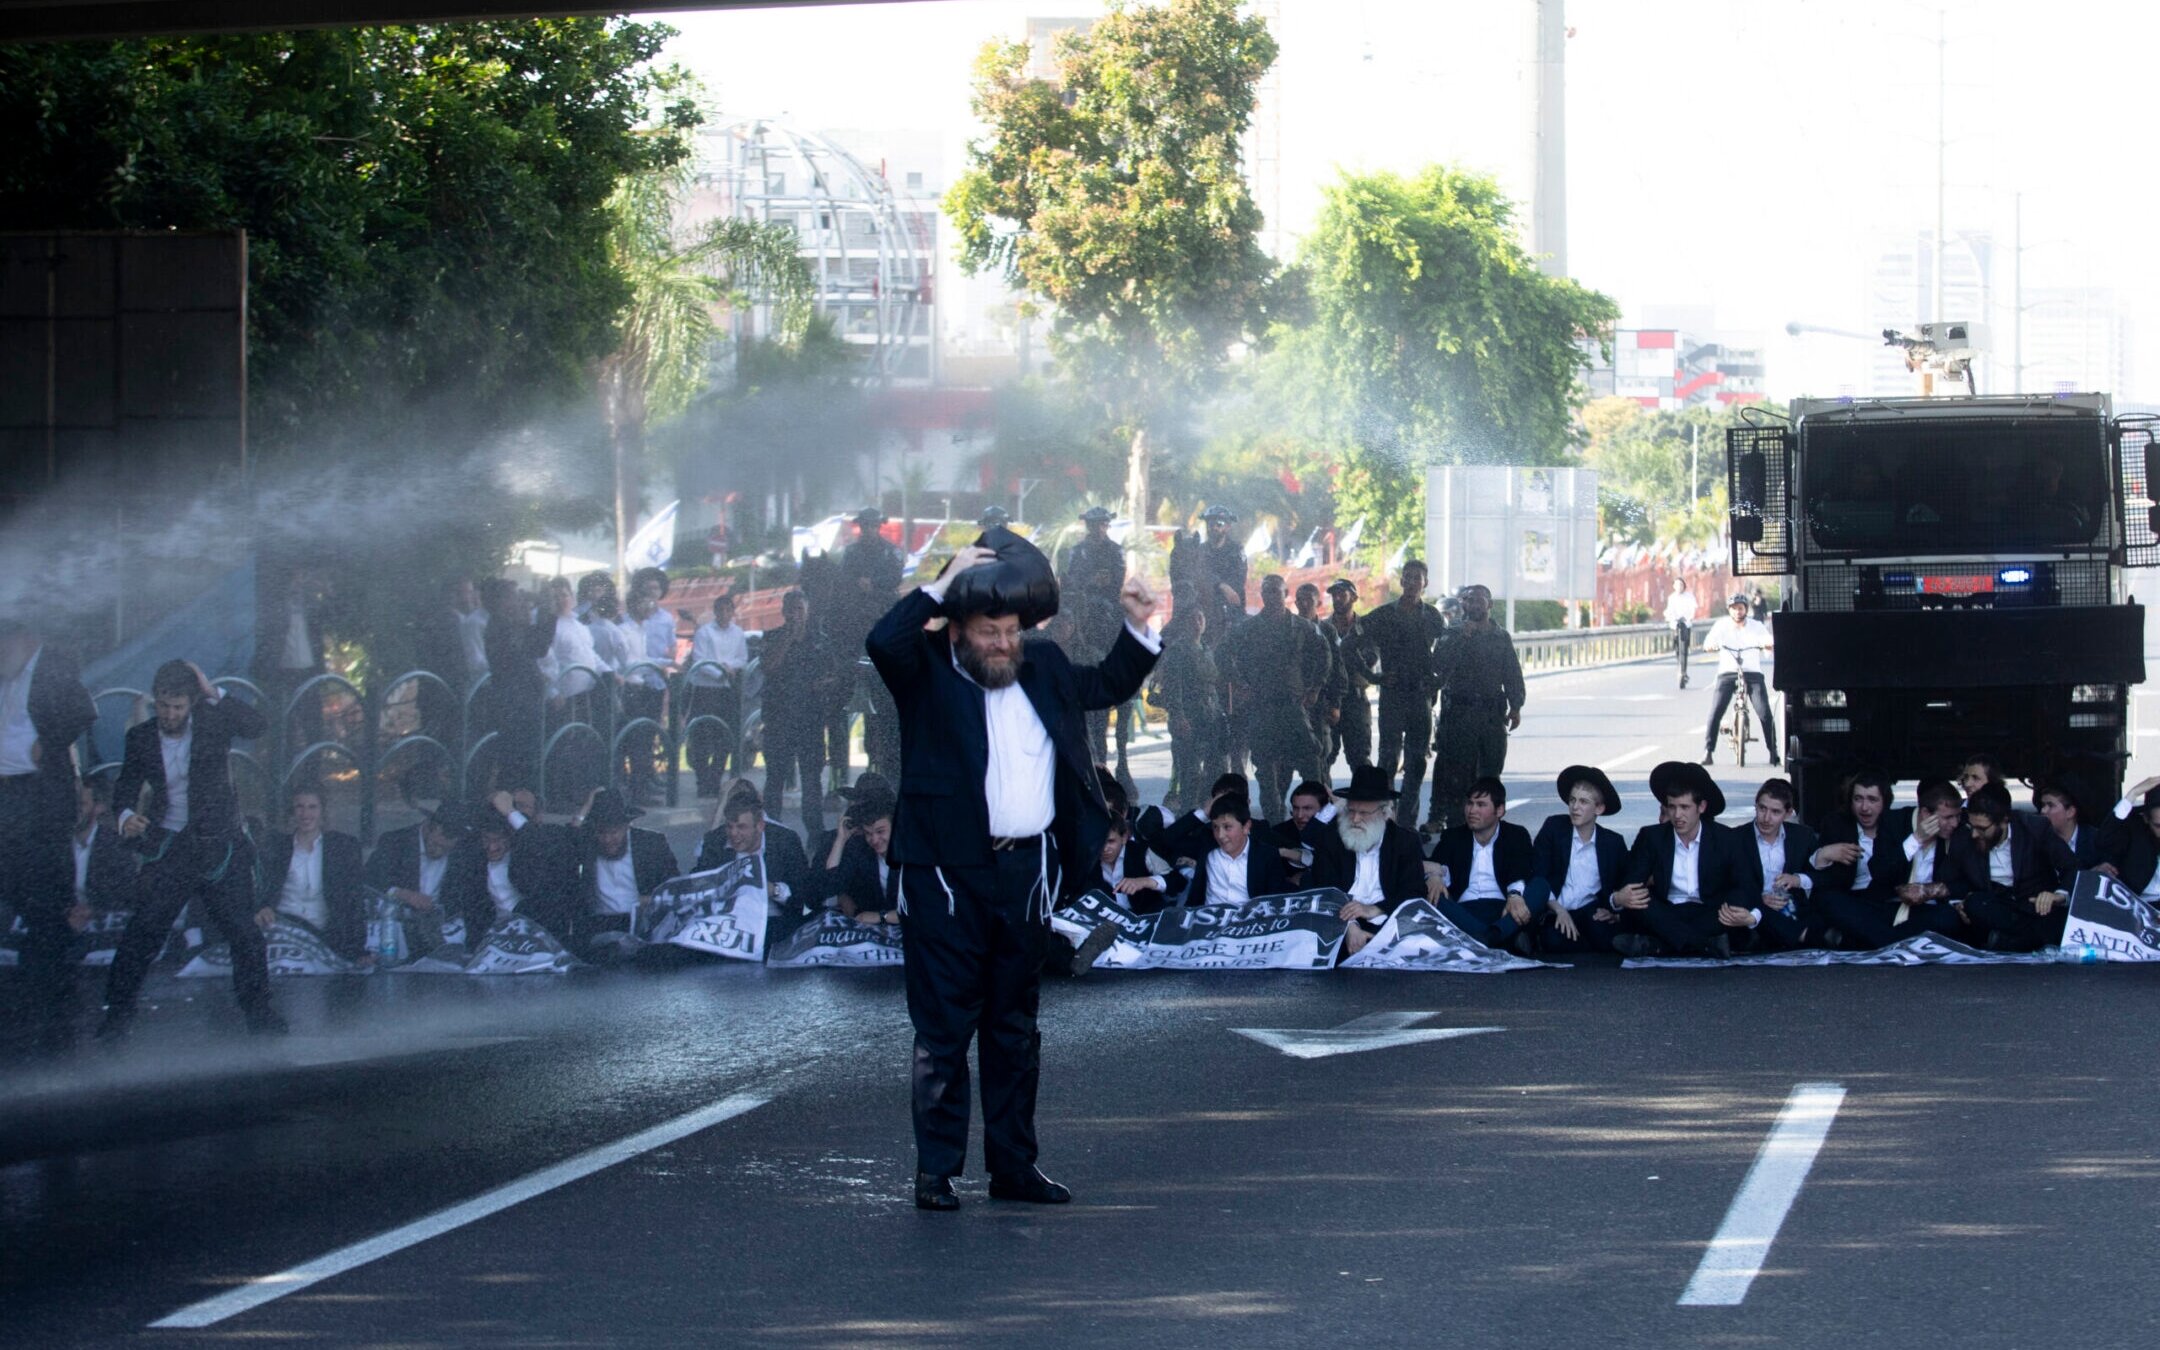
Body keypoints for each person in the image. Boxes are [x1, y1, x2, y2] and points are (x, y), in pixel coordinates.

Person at [866, 527, 1158, 1211]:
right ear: (959, 628)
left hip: (1024, 873)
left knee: (1014, 1028)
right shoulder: (926, 669)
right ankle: (936, 1171)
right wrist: (943, 580)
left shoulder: (1045, 665)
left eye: (1010, 629)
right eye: (988, 630)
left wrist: (1139, 625)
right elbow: (883, 641)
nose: (1002, 642)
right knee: (943, 1031)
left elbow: (1110, 682)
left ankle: (1013, 1167)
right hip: (942, 875)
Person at [101, 660, 284, 1039]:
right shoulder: (140, 737)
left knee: (244, 933)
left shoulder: (213, 722)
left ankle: (259, 1013)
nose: (170, 715)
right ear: (156, 702)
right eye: (164, 706)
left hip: (219, 845)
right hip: (170, 847)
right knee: (144, 931)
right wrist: (125, 817)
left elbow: (257, 726)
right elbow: (124, 789)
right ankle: (116, 1015)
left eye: (178, 707)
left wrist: (212, 690)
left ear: (191, 702)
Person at [0, 620, 96, 1052]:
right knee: (19, 890)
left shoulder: (54, 666)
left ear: (25, 640)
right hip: (10, 798)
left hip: (42, 803)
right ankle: (29, 989)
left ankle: (58, 999)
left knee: (49, 900)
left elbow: (83, 711)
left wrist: (50, 742)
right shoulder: (8, 673)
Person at [1611, 763, 1755, 959]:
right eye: (1672, 807)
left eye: (1685, 807)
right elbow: (1633, 881)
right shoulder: (1651, 836)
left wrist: (1736, 907)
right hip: (1667, 910)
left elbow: (1744, 883)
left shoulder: (1726, 838)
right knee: (1641, 904)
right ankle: (1705, 944)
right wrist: (1624, 895)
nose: (1677, 815)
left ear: (1701, 807)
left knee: (1729, 910)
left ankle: (1660, 945)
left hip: (1708, 910)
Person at [1220, 575, 1330, 818]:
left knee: (1312, 761)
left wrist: (1315, 688)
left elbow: (1325, 654)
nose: (1271, 596)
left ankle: (1315, 823)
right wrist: (1239, 684)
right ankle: (1275, 826)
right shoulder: (1249, 629)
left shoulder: (1302, 626)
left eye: (1276, 592)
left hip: (1293, 706)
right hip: (1262, 707)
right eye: (1266, 592)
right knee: (1267, 772)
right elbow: (1223, 653)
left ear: (1285, 593)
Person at [1428, 584, 1526, 831]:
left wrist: (1516, 705)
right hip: (1460, 716)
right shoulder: (1452, 633)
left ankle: (1490, 827)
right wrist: (1462, 637)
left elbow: (1512, 672)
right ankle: (1457, 829)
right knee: (1458, 776)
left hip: (1491, 716)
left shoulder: (1500, 636)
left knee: (1490, 773)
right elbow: (1438, 664)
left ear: (1490, 605)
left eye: (1480, 600)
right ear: (1463, 605)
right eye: (1469, 600)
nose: (1474, 605)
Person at [1307, 765, 1430, 956]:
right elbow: (1325, 888)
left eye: (1364, 813)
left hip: (1387, 919)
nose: (1355, 819)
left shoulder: (1405, 841)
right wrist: (1349, 926)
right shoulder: (1330, 838)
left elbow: (1414, 892)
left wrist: (1374, 909)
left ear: (1384, 813)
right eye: (1351, 811)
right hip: (1340, 921)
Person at [1808, 769, 1936, 950]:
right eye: (1858, 799)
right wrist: (1823, 854)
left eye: (1872, 800)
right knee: (1828, 901)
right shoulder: (1836, 824)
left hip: (1888, 902)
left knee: (1940, 915)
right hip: (1852, 900)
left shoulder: (1899, 824)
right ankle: (1891, 941)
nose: (1864, 807)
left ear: (1885, 802)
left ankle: (1855, 939)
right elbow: (1820, 878)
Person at [1363, 560, 1447, 829]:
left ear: (1426, 583)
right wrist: (1373, 676)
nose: (1411, 583)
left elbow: (1447, 653)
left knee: (1416, 764)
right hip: (1392, 696)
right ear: (1401, 581)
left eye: (1417, 578)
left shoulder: (1433, 616)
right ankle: (1385, 820)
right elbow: (1352, 640)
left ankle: (1407, 826)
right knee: (1387, 760)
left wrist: (1438, 682)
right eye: (1407, 577)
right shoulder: (1384, 614)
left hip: (1419, 698)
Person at [254, 785, 368, 961]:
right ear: (292, 811)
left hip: (326, 938)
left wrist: (358, 950)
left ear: (322, 810)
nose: (305, 814)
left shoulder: (344, 847)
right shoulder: (276, 847)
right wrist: (263, 907)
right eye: (300, 806)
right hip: (282, 935)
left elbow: (355, 901)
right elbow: (260, 890)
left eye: (312, 807)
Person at [1523, 766, 1629, 955]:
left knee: (1606, 937)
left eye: (1583, 802)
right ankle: (1540, 938)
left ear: (1599, 808)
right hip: (1556, 908)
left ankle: (1589, 943)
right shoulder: (1554, 828)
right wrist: (1558, 910)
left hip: (1590, 909)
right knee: (1553, 942)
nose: (1575, 807)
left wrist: (1613, 911)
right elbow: (1538, 874)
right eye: (1572, 800)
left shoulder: (1613, 842)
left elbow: (1622, 884)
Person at [1950, 782, 2068, 951]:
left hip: (2035, 908)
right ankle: (2023, 941)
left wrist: (2057, 896)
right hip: (1995, 908)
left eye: (1982, 829)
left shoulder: (2035, 828)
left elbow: (2071, 867)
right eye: (1972, 826)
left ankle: (2008, 942)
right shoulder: (1964, 838)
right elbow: (1950, 879)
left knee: (2058, 921)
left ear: (2004, 821)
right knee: (1975, 905)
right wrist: (1958, 904)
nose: (1975, 834)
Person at [758, 590, 839, 832]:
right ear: (783, 612)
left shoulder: (820, 640)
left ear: (808, 612)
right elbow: (768, 666)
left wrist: (822, 684)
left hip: (810, 719)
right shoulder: (772, 637)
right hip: (778, 717)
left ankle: (815, 831)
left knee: (811, 780)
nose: (795, 615)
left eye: (800, 610)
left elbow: (834, 675)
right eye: (791, 610)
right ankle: (771, 830)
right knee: (776, 778)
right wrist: (787, 638)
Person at [1426, 776, 1536, 950]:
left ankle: (1483, 939)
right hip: (1464, 910)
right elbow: (1436, 865)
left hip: (1504, 908)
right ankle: (1496, 939)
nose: (1472, 810)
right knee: (1433, 894)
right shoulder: (1453, 836)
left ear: (1499, 810)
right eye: (1470, 803)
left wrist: (1514, 895)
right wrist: (1434, 876)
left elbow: (1521, 871)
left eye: (1481, 805)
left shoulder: (1516, 835)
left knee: (1540, 887)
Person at [570, 787, 680, 954]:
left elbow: (676, 887)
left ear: (627, 826)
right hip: (600, 924)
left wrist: (652, 900)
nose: (607, 840)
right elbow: (568, 836)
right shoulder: (587, 842)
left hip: (641, 923)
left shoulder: (651, 844)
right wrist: (586, 806)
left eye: (613, 833)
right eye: (602, 833)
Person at [1065, 506, 1132, 773]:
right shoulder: (1076, 551)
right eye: (1094, 524)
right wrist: (1088, 580)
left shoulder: (1115, 550)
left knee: (1122, 621)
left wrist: (1101, 582)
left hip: (1106, 603)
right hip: (1081, 600)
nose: (1098, 528)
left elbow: (1117, 578)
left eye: (1103, 524)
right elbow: (1070, 579)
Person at [694, 789, 813, 936]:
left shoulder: (784, 841)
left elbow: (806, 897)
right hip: (725, 926)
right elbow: (697, 883)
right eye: (729, 826)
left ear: (760, 826)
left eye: (741, 827)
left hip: (773, 922)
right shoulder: (714, 841)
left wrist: (774, 890)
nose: (733, 833)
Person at [365, 803, 478, 952]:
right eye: (435, 844)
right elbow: (368, 882)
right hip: (396, 933)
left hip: (440, 934)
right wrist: (402, 893)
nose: (438, 852)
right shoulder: (394, 842)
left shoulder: (463, 853)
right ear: (428, 827)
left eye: (445, 849)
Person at [480, 579, 555, 792]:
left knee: (525, 759)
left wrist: (545, 613)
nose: (519, 600)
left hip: (524, 700)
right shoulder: (500, 625)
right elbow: (529, 649)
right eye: (514, 596)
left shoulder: (510, 624)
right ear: (501, 600)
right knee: (515, 760)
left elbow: (539, 647)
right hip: (513, 701)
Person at [1734, 778, 1820, 952]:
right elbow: (1731, 882)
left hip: (1791, 905)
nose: (1766, 818)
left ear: (1788, 813)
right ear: (1756, 806)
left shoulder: (1802, 836)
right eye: (1762, 809)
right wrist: (1760, 900)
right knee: (1751, 911)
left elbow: (1820, 875)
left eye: (1775, 812)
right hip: (1754, 905)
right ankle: (1801, 936)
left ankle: (1787, 936)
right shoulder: (1736, 838)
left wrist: (1797, 879)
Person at [1150, 603, 1220, 814]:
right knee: (1189, 771)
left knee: (1213, 768)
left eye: (1200, 617)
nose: (1197, 622)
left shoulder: (1206, 649)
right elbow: (1174, 686)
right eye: (1192, 618)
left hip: (1209, 715)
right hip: (1188, 716)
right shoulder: (1177, 651)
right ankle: (1189, 815)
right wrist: (1179, 716)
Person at [1701, 594, 1779, 766]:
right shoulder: (1721, 625)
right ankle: (1708, 751)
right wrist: (1710, 646)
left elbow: (1768, 640)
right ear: (1730, 610)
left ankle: (1774, 752)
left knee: (1764, 712)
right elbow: (1709, 641)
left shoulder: (1756, 626)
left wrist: (1768, 644)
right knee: (1716, 711)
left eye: (1741, 608)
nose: (1738, 612)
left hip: (1752, 673)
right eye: (1734, 608)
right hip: (1727, 673)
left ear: (1746, 609)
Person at [807, 783, 903, 923]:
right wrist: (841, 840)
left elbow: (924, 907)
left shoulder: (915, 853)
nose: (874, 839)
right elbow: (828, 887)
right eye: (868, 833)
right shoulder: (861, 850)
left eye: (880, 831)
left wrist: (882, 917)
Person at [687, 594, 749, 797]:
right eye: (720, 610)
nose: (724, 614)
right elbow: (700, 660)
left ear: (732, 612)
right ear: (715, 612)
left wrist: (729, 668)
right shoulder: (705, 632)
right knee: (703, 737)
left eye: (727, 610)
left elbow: (742, 658)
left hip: (726, 690)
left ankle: (715, 778)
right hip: (706, 688)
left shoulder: (738, 633)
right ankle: (702, 780)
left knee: (725, 737)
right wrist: (720, 672)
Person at [1182, 794, 1286, 906]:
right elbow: (1169, 839)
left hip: (1249, 920)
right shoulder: (1207, 845)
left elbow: (1275, 903)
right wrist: (1204, 813)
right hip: (1208, 919)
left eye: (1227, 827)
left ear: (1246, 827)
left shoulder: (1266, 855)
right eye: (1215, 827)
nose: (1220, 835)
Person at [1323, 579, 1378, 774]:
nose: (1337, 599)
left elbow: (1370, 658)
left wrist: (1345, 655)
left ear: (1354, 597)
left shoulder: (1365, 627)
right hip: (1329, 699)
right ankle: (1323, 804)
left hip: (1355, 697)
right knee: (1325, 756)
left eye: (1342, 594)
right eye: (1334, 595)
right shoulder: (1323, 628)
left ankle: (1363, 803)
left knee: (1359, 757)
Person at [1664, 577, 1698, 689]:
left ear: (1684, 586)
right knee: (1677, 649)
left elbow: (1692, 609)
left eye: (1681, 585)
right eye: (1677, 585)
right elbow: (1669, 610)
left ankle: (1683, 671)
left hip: (1685, 624)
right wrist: (1671, 617)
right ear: (1674, 586)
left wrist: (1686, 618)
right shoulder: (1671, 598)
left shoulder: (1689, 597)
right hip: (1675, 625)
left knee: (1684, 649)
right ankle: (1680, 667)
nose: (1679, 587)